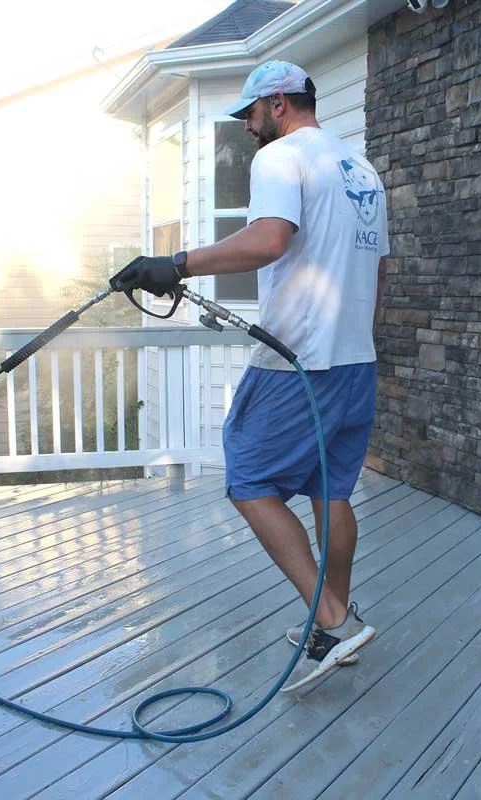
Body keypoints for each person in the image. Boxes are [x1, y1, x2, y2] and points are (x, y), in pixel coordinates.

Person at [113, 60, 389, 691]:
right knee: (330, 491)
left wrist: (176, 263)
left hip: (299, 362)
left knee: (249, 479)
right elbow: (380, 271)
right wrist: (354, 337)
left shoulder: (281, 158)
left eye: (251, 112)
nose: (247, 126)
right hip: (355, 360)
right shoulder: (361, 169)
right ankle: (334, 624)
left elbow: (268, 241)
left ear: (278, 103)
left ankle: (333, 619)